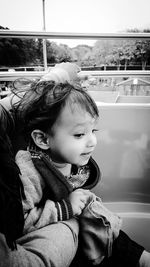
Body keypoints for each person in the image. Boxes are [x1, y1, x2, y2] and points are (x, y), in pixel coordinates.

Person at [10, 80, 150, 266]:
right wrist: (65, 208)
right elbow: (20, 221)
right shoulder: (29, 171)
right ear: (43, 139)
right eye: (79, 134)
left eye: (93, 130)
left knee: (101, 220)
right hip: (51, 236)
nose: (92, 141)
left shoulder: (70, 158)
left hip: (79, 232)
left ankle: (138, 257)